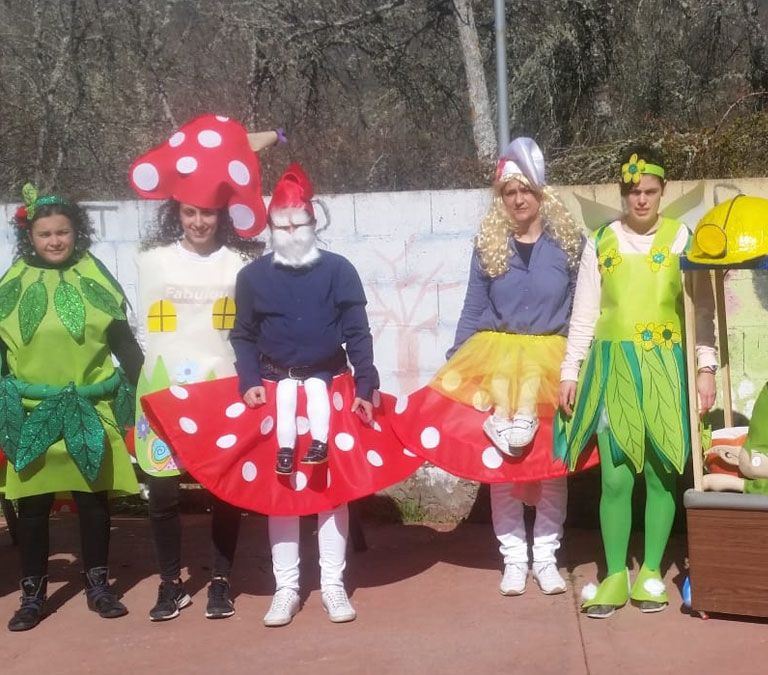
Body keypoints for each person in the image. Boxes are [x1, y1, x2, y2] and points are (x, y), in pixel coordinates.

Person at [141, 162, 422, 627]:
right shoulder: (254, 277)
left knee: (331, 491)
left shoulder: (338, 270)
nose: (290, 231)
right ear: (271, 228)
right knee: (283, 489)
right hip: (274, 391)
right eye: (281, 224)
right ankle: (286, 587)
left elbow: (357, 331)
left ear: (312, 224)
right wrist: (250, 381)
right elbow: (244, 336)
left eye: (298, 223)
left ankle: (332, 584)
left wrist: (367, 383)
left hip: (331, 388)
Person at [391, 137, 592, 596]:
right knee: (501, 465)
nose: (518, 199)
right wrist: (455, 369)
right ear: (500, 198)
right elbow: (472, 309)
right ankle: (514, 560)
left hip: (550, 363)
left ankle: (546, 557)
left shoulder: (570, 245)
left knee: (549, 465)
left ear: (541, 191)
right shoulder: (488, 245)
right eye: (508, 191)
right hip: (496, 361)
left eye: (525, 189)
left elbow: (585, 309)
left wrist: (579, 366)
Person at [128, 114, 278, 620]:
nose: (198, 222)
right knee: (163, 492)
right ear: (177, 211)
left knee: (225, 491)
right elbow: (146, 331)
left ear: (222, 215)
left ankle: (219, 579)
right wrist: (150, 385)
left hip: (223, 392)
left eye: (208, 214)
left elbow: (247, 333)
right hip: (163, 391)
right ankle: (170, 583)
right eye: (190, 212)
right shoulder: (151, 261)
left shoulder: (240, 267)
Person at [557, 146, 717, 619]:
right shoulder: (601, 240)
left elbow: (701, 310)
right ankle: (612, 575)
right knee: (615, 476)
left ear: (662, 191)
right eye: (632, 192)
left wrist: (705, 368)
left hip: (666, 367)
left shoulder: (682, 238)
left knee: (664, 472)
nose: (641, 200)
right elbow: (584, 311)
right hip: (613, 372)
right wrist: (571, 370)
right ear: (622, 193)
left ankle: (650, 570)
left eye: (649, 191)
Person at [1, 185, 143, 631]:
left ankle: (99, 586)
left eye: (63, 232)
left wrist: (146, 393)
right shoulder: (12, 285)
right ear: (31, 237)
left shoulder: (94, 278)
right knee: (33, 506)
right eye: (45, 234)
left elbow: (124, 344)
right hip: (31, 412)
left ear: (75, 233)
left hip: (89, 408)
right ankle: (32, 595)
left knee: (93, 502)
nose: (55, 240)